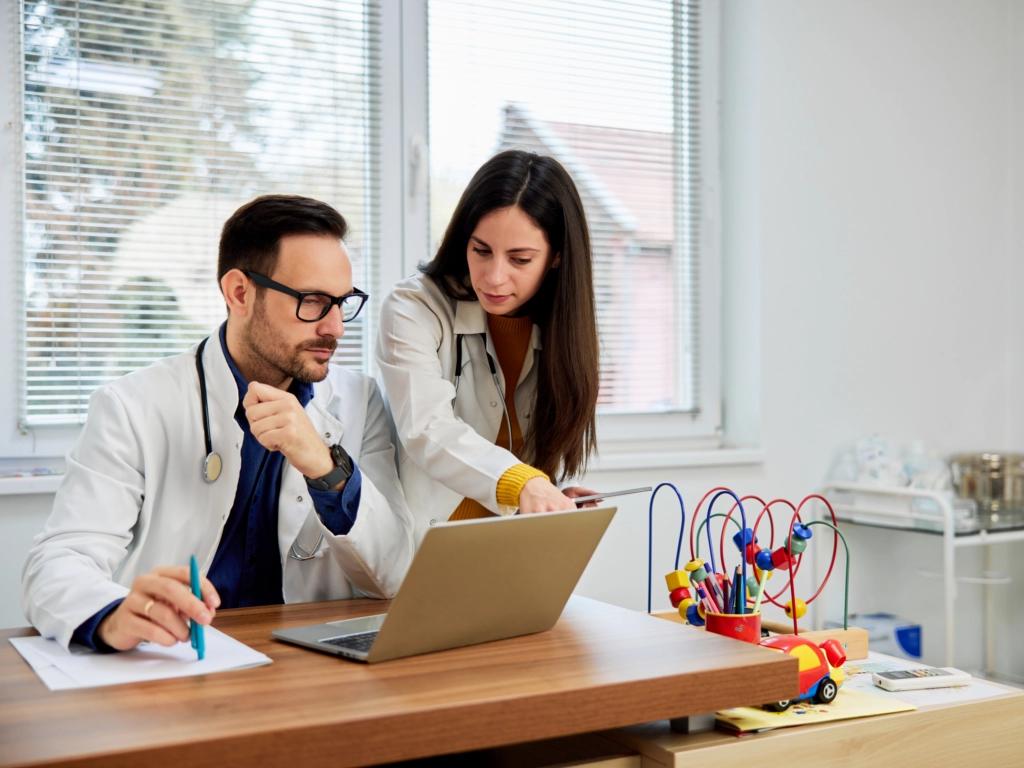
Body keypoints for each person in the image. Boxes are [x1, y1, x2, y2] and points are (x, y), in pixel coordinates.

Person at [23, 195, 415, 651]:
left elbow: (395, 574)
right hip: (176, 660)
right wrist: (113, 614)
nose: (336, 328)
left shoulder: (359, 400)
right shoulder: (132, 405)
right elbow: (56, 562)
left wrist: (327, 468)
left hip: (306, 661)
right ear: (239, 292)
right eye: (313, 301)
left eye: (342, 303)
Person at [377, 150, 601, 542]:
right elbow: (426, 429)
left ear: (557, 257)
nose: (494, 277)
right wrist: (524, 484)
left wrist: (551, 497)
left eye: (520, 259)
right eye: (481, 251)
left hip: (501, 555)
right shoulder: (413, 307)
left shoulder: (561, 330)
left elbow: (523, 462)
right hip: (420, 551)